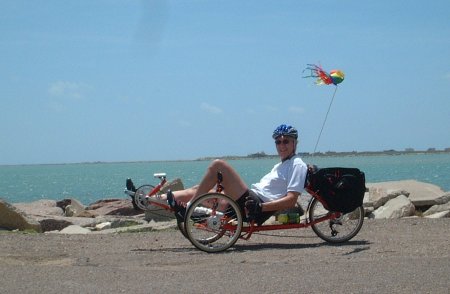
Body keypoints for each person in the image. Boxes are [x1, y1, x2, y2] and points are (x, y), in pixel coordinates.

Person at [164, 124, 308, 225]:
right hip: (250, 200)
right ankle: (151, 200)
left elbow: (291, 200)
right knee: (197, 190)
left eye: (286, 141)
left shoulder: (297, 164)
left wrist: (260, 208)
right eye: (278, 142)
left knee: (218, 165)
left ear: (295, 143)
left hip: (256, 205)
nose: (281, 145)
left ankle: (189, 208)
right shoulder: (281, 165)